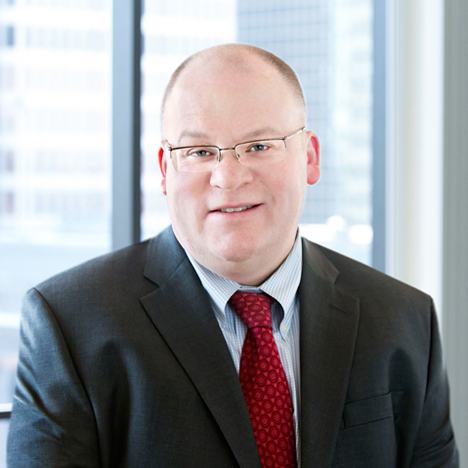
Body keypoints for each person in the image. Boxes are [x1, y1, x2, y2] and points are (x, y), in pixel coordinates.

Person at [7, 44, 458, 468]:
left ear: (309, 157)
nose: (226, 177)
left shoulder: (405, 319)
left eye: (259, 146)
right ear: (166, 170)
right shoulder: (69, 323)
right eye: (200, 151)